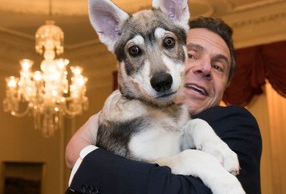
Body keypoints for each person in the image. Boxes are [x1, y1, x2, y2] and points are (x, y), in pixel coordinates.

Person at [65, 17, 262, 194]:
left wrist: (85, 156)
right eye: (191, 55)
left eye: (218, 67)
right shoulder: (120, 116)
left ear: (226, 84)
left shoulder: (234, 122)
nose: (205, 68)